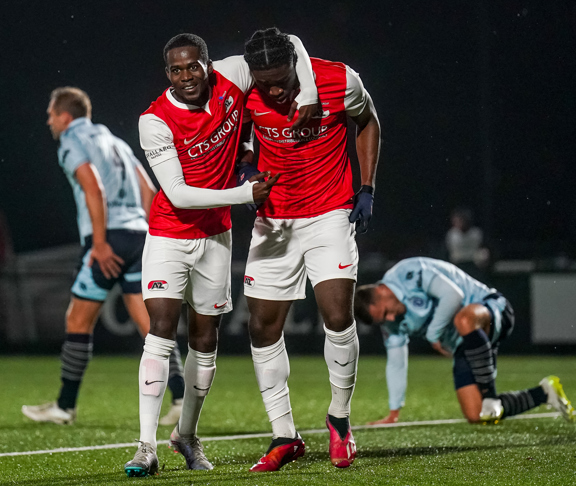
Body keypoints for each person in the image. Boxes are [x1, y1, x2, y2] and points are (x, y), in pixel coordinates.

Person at [124, 32, 319, 478]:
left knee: (206, 341)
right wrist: (244, 193)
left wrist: (307, 92)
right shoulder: (153, 120)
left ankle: (186, 435)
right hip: (170, 234)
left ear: (208, 64)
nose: (186, 76)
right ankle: (146, 446)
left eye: (193, 66)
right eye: (176, 69)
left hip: (216, 237)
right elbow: (177, 193)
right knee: (160, 330)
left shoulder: (234, 74)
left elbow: (290, 41)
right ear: (167, 73)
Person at [238, 28, 381, 471]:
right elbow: (240, 138)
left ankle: (339, 419)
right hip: (274, 220)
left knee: (337, 316)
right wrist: (245, 172)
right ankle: (285, 435)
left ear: (295, 65)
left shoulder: (338, 79)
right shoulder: (243, 87)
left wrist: (367, 187)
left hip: (329, 213)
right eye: (265, 84)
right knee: (262, 328)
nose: (274, 91)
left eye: (282, 80)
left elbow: (368, 120)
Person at [22, 87, 185, 426]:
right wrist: (150, 235)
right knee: (152, 327)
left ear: (66, 116)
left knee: (77, 321)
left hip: (109, 238)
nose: (49, 121)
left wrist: (99, 243)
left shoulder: (72, 140)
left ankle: (65, 406)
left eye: (51, 114)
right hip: (139, 236)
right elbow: (148, 191)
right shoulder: (116, 142)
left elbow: (93, 187)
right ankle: (181, 399)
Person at [354, 257, 575, 425]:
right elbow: (396, 361)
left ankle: (490, 396)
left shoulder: (408, 273)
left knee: (464, 319)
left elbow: (454, 296)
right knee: (476, 414)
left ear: (381, 291)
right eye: (383, 320)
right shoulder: (389, 322)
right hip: (466, 343)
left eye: (385, 313)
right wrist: (394, 411)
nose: (390, 320)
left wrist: (433, 334)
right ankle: (544, 393)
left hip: (491, 309)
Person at [445, 207, 489, 280]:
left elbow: (484, 250)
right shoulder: (452, 234)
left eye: (460, 220)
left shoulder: (476, 233)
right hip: (458, 265)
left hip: (474, 265)